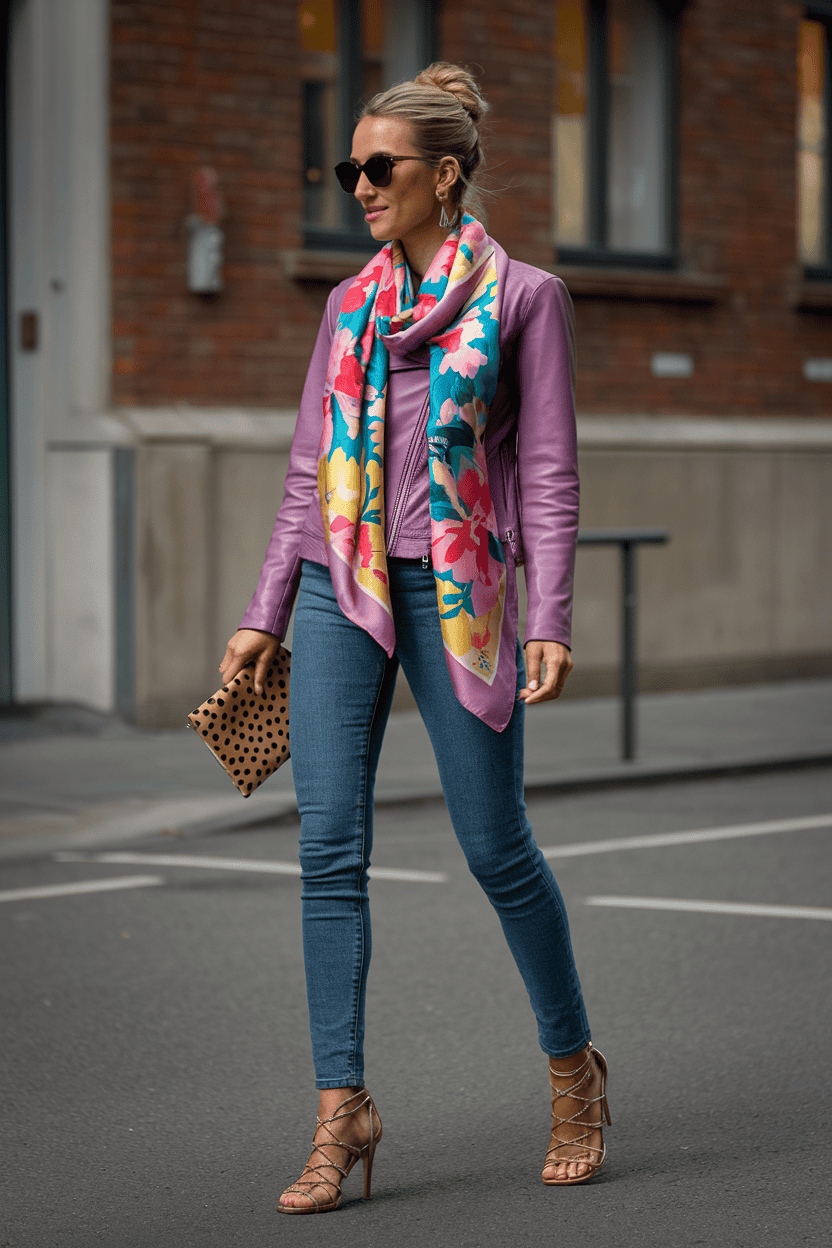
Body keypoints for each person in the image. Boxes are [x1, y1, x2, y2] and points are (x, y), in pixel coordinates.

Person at [220, 62, 611, 1214]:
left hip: (460, 596)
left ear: (444, 175)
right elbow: (308, 472)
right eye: (348, 169)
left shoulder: (527, 299)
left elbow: (546, 471)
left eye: (375, 167)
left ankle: (573, 1071)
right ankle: (343, 1111)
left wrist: (551, 615)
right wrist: (262, 612)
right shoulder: (347, 306)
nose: (357, 186)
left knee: (495, 847)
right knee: (326, 850)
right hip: (345, 587)